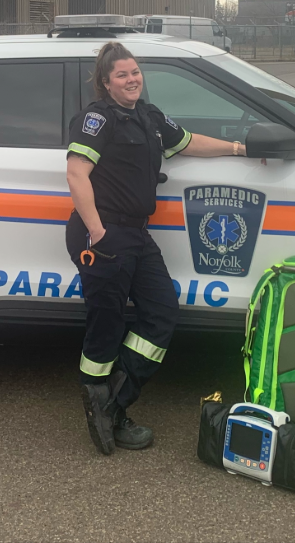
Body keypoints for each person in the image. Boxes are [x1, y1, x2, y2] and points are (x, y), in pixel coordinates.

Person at [65, 41, 248, 455]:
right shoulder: (97, 118)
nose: (132, 80)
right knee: (106, 324)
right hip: (104, 233)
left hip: (135, 234)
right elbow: (77, 174)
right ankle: (100, 403)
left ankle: (112, 405)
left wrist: (240, 149)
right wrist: (98, 234)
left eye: (135, 72)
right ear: (106, 82)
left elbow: (187, 142)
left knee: (162, 310)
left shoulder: (147, 116)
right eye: (122, 75)